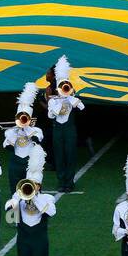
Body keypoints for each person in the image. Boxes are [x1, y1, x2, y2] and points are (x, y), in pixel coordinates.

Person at [6, 146, 55, 256]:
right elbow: (8, 210)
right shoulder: (18, 197)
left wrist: (34, 197)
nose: (32, 187)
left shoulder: (47, 198)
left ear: (40, 185)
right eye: (30, 184)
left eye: (35, 185)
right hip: (24, 239)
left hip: (40, 240)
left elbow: (50, 212)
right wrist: (19, 197)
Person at [46, 55, 83, 193]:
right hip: (58, 129)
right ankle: (62, 181)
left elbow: (82, 108)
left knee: (70, 154)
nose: (63, 89)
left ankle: (70, 181)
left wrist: (70, 98)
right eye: (61, 87)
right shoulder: (53, 99)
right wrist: (55, 102)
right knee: (59, 155)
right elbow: (50, 115)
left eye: (65, 87)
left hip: (69, 129)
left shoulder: (71, 98)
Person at [2, 83, 43, 190]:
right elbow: (8, 147)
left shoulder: (37, 130)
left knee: (32, 191)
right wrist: (17, 129)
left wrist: (26, 127)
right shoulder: (10, 132)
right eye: (20, 118)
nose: (22, 120)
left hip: (30, 163)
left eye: (25, 118)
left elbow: (37, 140)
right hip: (15, 163)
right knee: (15, 190)